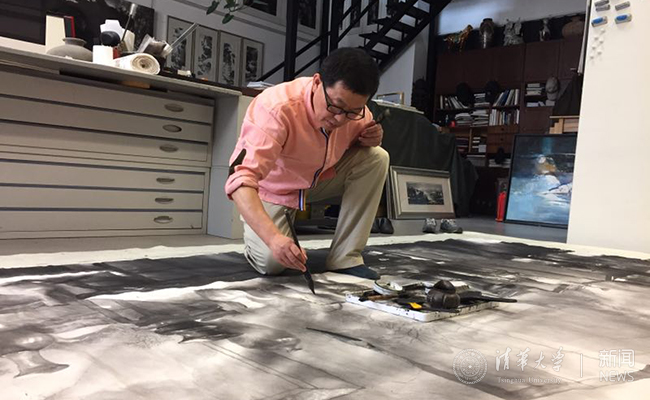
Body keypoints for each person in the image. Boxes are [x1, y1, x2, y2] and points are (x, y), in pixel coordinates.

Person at [225, 48, 389, 280]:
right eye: (335, 106)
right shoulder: (275, 108)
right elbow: (240, 179)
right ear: (317, 82)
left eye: (352, 112)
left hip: (316, 182)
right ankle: (257, 242)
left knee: (376, 157)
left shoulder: (357, 113)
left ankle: (345, 257)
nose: (340, 119)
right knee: (272, 262)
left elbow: (361, 143)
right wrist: (274, 238)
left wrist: (373, 137)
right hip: (273, 190)